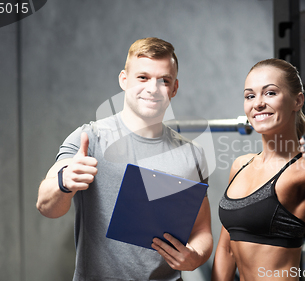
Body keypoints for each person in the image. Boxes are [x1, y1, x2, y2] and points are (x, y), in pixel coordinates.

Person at [36, 37, 213, 281]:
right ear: (124, 79)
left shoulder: (192, 154)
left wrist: (196, 255)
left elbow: (202, 229)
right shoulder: (90, 138)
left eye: (164, 80)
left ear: (174, 88)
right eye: (143, 77)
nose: (153, 88)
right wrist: (63, 181)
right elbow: (46, 206)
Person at [212, 58, 305, 281]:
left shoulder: (304, 168)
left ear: (298, 101)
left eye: (270, 93)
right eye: (250, 96)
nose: (257, 103)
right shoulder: (241, 165)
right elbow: (227, 249)